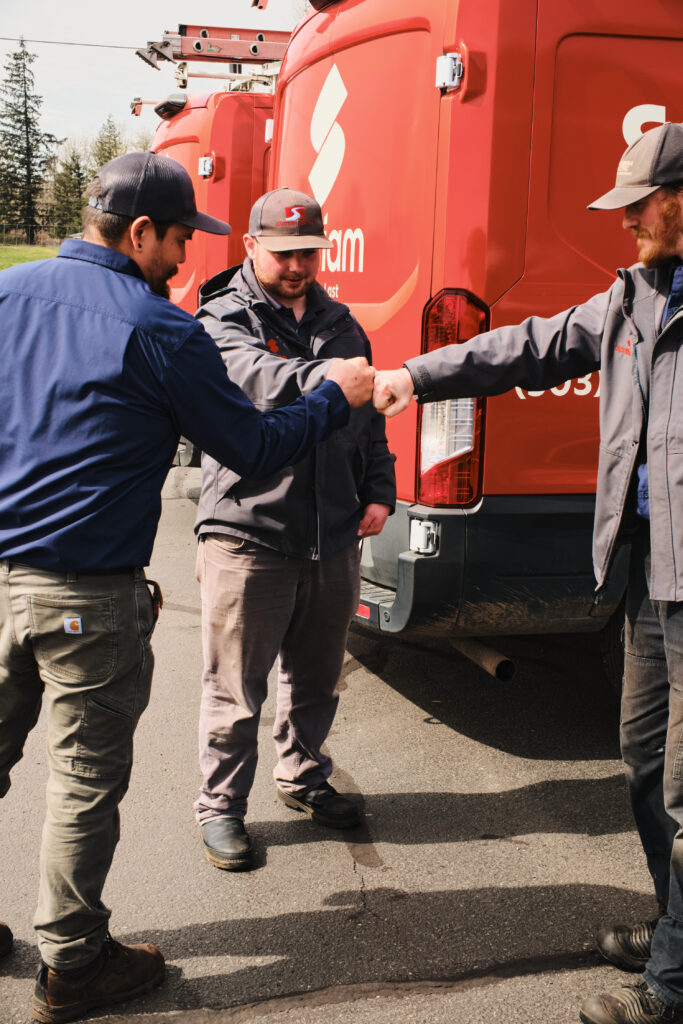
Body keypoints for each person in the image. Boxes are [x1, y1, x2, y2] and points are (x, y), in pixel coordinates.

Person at [0, 153, 374, 1024]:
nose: (181, 258)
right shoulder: (161, 328)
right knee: (82, 782)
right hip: (85, 594)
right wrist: (335, 398)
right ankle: (75, 963)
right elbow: (249, 446)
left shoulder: (11, 295)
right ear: (139, 233)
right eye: (177, 239)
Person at [374, 121, 683, 1024]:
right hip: (641, 575)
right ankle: (675, 924)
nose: (623, 223)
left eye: (637, 207)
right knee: (639, 761)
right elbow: (524, 348)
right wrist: (411, 377)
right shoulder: (630, 299)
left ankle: (671, 984)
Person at [193, 187, 396, 870]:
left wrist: (378, 489)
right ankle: (220, 806)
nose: (296, 265)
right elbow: (250, 378)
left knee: (315, 680)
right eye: (282, 254)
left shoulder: (342, 322)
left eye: (308, 252)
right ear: (251, 247)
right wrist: (328, 378)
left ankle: (303, 776)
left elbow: (369, 417)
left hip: (332, 534)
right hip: (248, 534)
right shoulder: (223, 317)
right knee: (235, 689)